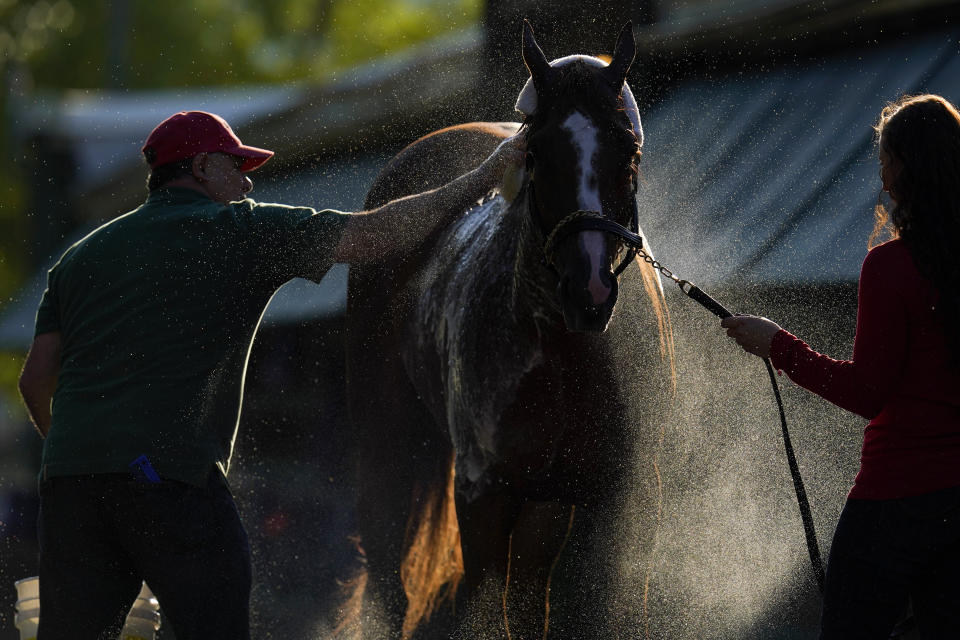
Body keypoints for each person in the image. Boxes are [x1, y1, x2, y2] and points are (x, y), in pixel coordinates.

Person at [16, 110, 525, 639]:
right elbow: (377, 234)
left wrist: (89, 457)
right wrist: (484, 175)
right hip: (168, 476)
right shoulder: (241, 229)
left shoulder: (78, 257)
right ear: (202, 166)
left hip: (69, 482)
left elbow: (35, 380)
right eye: (237, 166)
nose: (248, 180)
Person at [721, 94, 960, 639]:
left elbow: (867, 392)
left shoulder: (889, 268)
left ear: (905, 169)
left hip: (893, 504)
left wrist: (777, 344)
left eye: (886, 162)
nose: (881, 180)